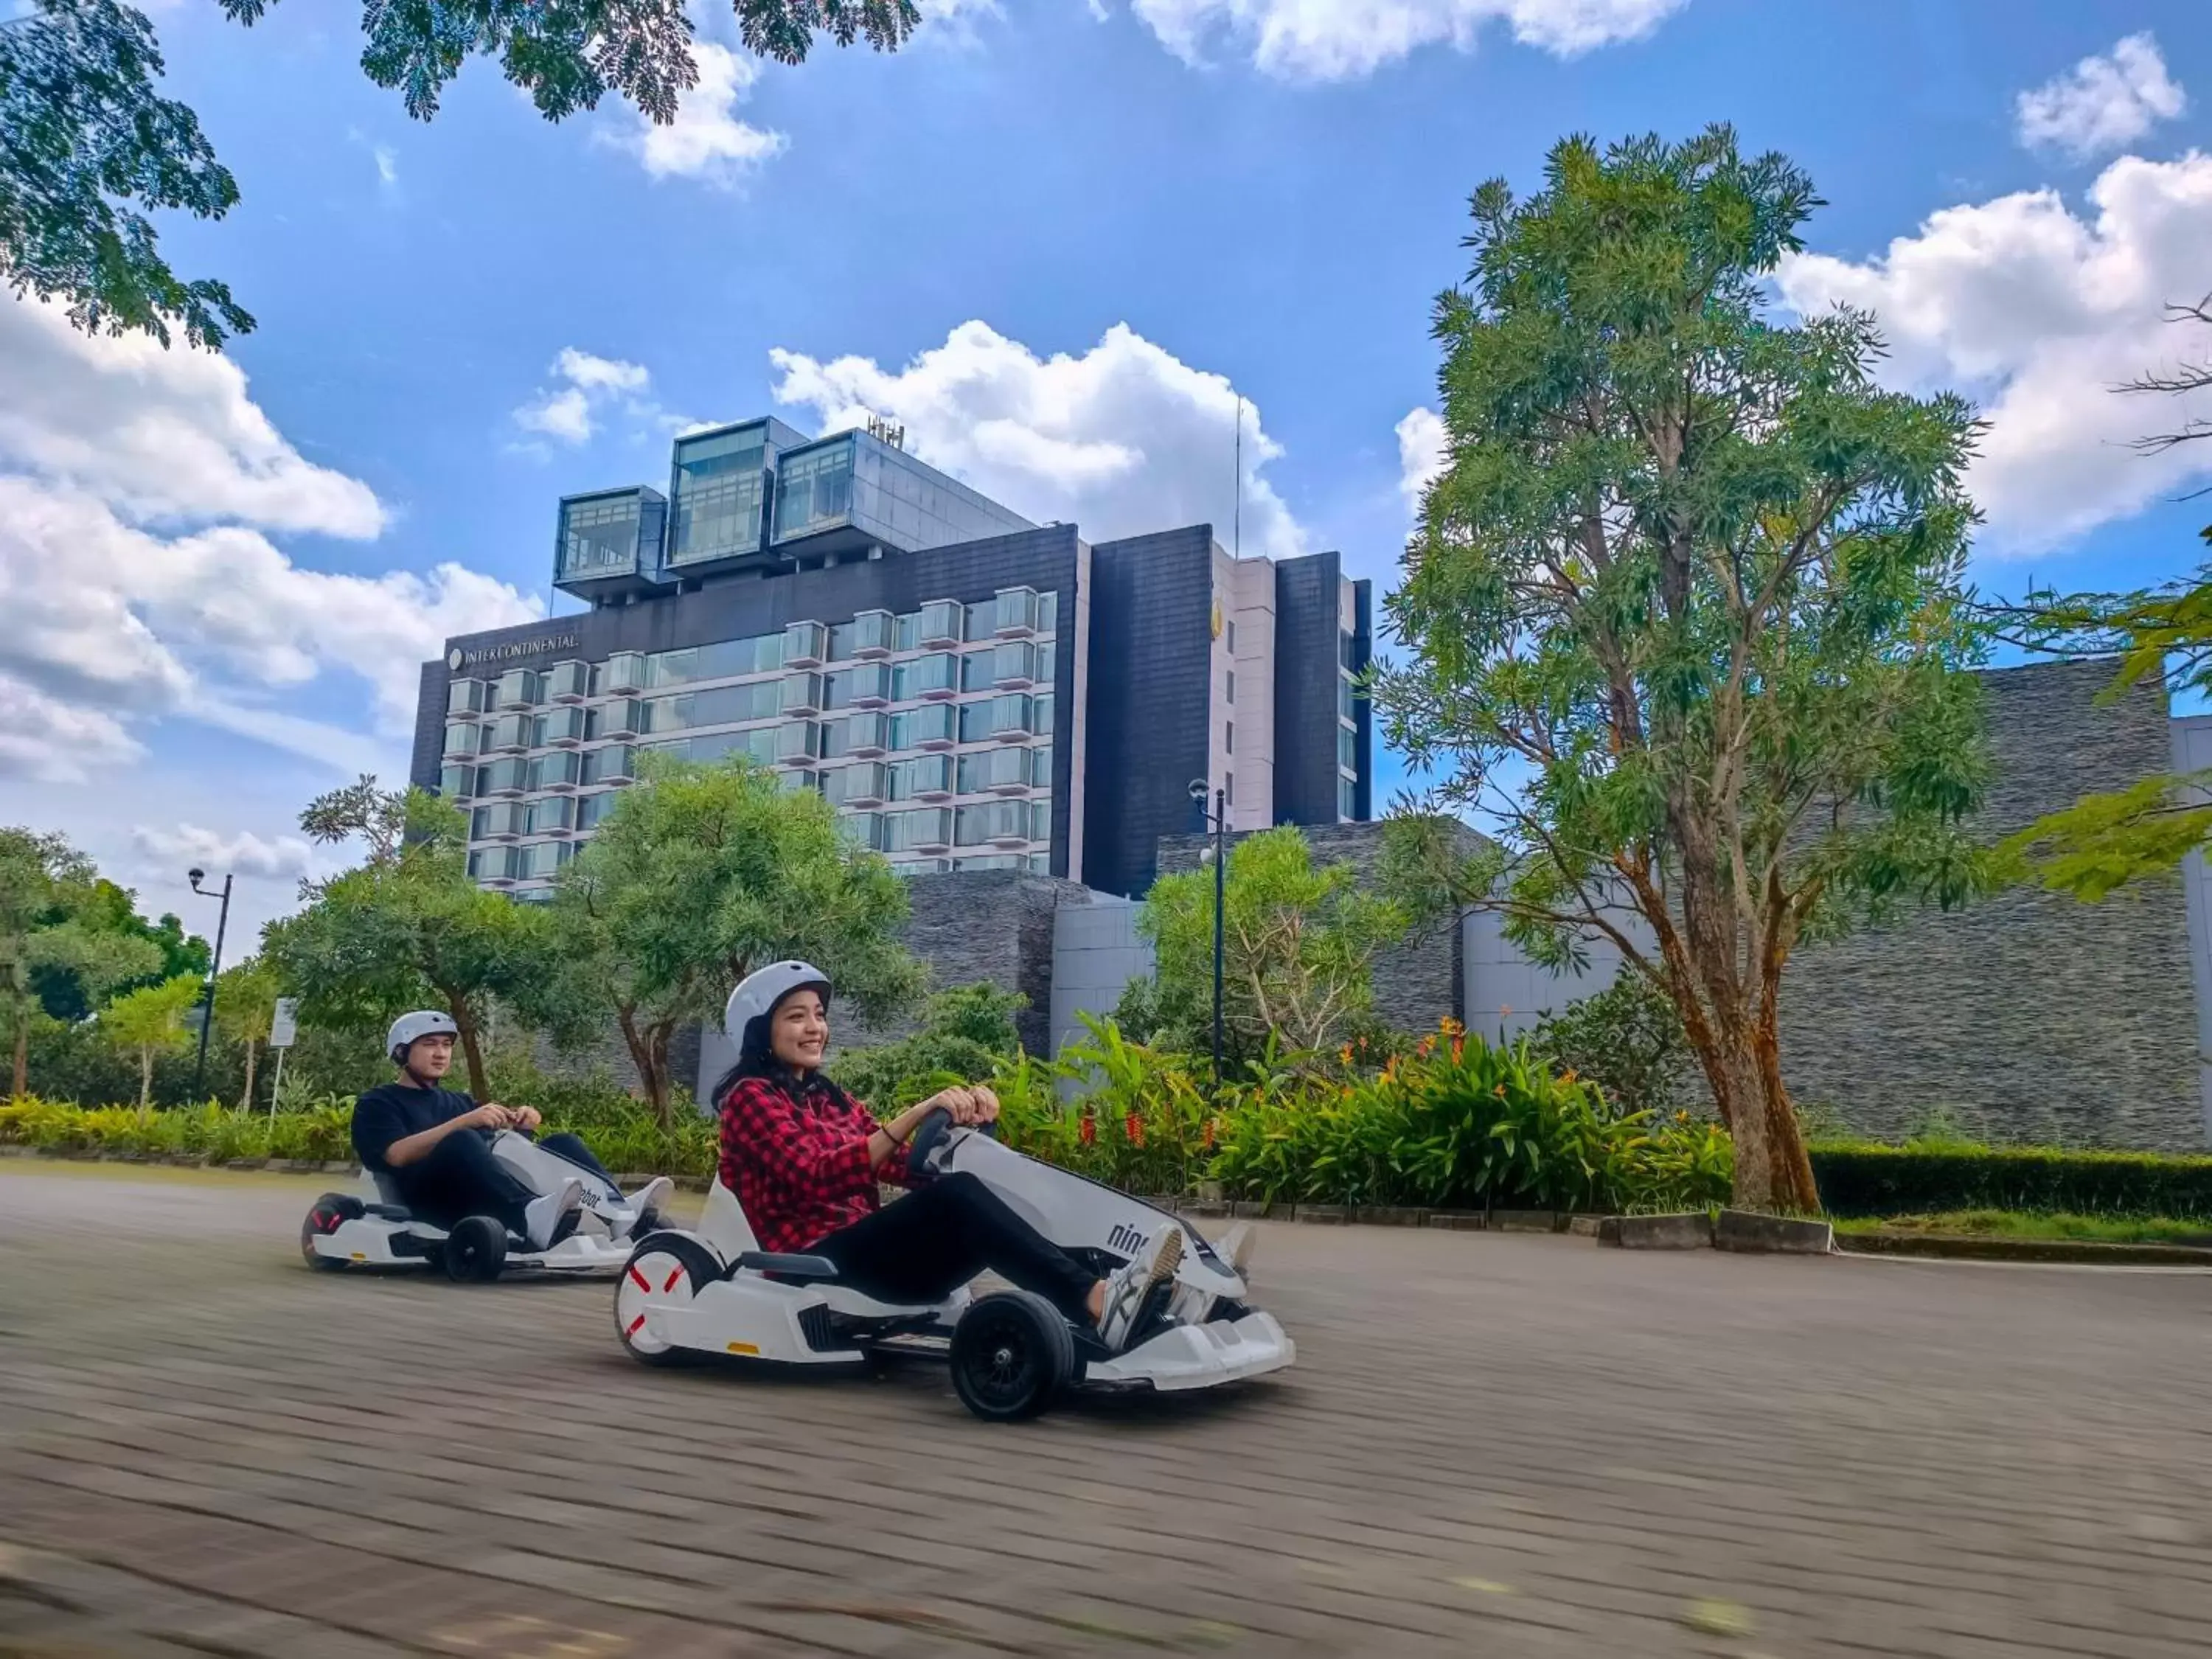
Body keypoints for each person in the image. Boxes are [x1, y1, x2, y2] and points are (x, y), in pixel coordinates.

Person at [715, 961, 1184, 1353]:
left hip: (869, 1257)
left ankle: (1121, 1286)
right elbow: (816, 1176)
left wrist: (966, 1130)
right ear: (762, 1031)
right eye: (797, 1017)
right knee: (957, 1198)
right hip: (813, 1261)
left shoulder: (831, 1099)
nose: (815, 1028)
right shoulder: (750, 1099)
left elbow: (905, 1167)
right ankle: (1098, 1300)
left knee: (981, 1186)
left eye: (818, 1014)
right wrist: (917, 1113)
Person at [352, 1011, 655, 1251]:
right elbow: (395, 1154)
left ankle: (620, 1213)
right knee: (462, 1138)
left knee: (560, 1142)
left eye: (446, 1045)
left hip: (477, 1191)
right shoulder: (377, 1102)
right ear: (403, 1052)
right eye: (430, 1044)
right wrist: (464, 1123)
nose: (441, 1053)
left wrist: (521, 1125)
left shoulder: (458, 1100)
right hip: (426, 1200)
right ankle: (528, 1215)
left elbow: (488, 1149)